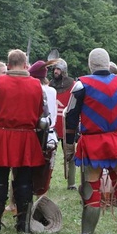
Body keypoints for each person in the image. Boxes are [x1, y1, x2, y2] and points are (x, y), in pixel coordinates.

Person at [64, 48, 117, 234]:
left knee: (92, 187)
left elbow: (71, 116)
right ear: (108, 64)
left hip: (94, 142)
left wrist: (68, 144)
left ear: (90, 64)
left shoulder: (81, 85)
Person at [0, 49, 49, 234]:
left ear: (8, 65)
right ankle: (23, 226)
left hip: (1, 137)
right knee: (25, 182)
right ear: (26, 65)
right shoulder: (38, 85)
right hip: (26, 138)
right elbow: (44, 118)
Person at [28, 60, 58, 196]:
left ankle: (13, 203)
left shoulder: (32, 89)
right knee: (44, 174)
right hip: (50, 137)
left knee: (22, 171)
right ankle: (41, 202)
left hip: (33, 135)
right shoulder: (52, 91)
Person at [48, 58, 76, 190]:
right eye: (54, 69)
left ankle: (71, 183)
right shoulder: (50, 85)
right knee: (48, 154)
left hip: (68, 124)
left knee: (70, 154)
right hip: (53, 125)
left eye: (58, 69)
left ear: (64, 71)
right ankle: (46, 180)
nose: (56, 72)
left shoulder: (73, 85)